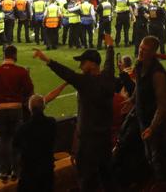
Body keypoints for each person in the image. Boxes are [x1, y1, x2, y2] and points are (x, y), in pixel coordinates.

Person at [33, 32, 118, 191]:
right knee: (107, 177)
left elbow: (66, 73)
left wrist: (46, 59)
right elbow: (109, 63)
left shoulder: (85, 82)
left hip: (88, 142)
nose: (80, 66)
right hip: (105, 138)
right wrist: (110, 46)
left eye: (83, 62)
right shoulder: (107, 77)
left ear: (92, 64)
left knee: (86, 179)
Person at [0, 44, 34, 182]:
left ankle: (3, 172)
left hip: (0, 108)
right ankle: (16, 171)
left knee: (3, 140)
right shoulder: (21, 71)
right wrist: (19, 97)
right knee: (16, 140)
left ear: (4, 55)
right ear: (15, 55)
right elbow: (29, 89)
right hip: (15, 108)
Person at [133, 35, 166, 181]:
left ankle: (163, 184)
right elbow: (139, 86)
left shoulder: (157, 73)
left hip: (154, 122)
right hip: (143, 119)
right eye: (140, 47)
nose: (140, 52)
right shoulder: (139, 65)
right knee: (148, 154)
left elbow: (162, 105)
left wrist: (152, 127)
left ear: (153, 52)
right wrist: (131, 100)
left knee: (156, 156)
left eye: (145, 50)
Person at [13, 94, 58, 192]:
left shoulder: (23, 129)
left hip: (29, 173)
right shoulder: (52, 123)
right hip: (47, 170)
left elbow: (15, 145)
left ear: (30, 108)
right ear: (44, 107)